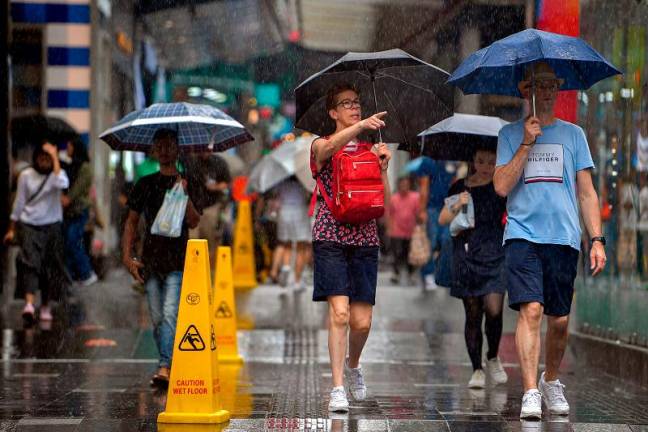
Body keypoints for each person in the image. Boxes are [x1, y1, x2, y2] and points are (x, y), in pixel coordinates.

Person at [494, 62, 606, 419]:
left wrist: (597, 239)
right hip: (522, 236)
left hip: (563, 239)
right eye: (539, 85)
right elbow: (500, 185)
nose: (546, 91)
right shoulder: (510, 134)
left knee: (558, 320)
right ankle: (529, 390)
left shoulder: (574, 135)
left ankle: (550, 379)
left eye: (551, 85)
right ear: (525, 90)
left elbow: (587, 193)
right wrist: (527, 143)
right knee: (531, 310)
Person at [310, 83, 391, 413]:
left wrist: (382, 167)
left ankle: (353, 365)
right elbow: (325, 152)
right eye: (346, 104)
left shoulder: (373, 148)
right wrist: (359, 127)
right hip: (330, 236)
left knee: (361, 322)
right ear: (333, 113)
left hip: (364, 239)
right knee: (340, 313)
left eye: (356, 103)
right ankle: (338, 387)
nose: (354, 108)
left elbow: (381, 198)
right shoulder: (320, 144)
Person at [121, 129, 201, 387]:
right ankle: (169, 359)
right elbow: (131, 222)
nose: (165, 150)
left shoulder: (187, 180)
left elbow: (194, 220)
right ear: (154, 151)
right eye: (160, 146)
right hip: (151, 261)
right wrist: (127, 256)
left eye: (170, 145)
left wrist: (183, 193)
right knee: (157, 318)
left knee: (169, 314)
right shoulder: (145, 183)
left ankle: (165, 365)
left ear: (178, 149)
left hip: (178, 260)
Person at [438, 147, 507, 389]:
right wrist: (459, 202)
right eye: (480, 161)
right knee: (473, 313)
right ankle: (476, 368)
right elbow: (443, 219)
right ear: (473, 161)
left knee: (495, 309)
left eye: (491, 161)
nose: (486, 166)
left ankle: (493, 356)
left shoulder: (502, 185)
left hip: (496, 253)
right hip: (466, 253)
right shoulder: (460, 187)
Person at [4, 143, 70, 324]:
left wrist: (55, 156)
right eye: (41, 158)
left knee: (49, 267)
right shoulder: (26, 175)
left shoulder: (57, 175)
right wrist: (12, 227)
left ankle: (46, 305)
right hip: (29, 225)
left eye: (47, 159)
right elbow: (19, 202)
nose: (44, 161)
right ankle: (29, 304)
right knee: (29, 264)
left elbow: (62, 183)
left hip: (51, 226)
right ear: (35, 158)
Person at [61, 138, 98, 286]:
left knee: (73, 240)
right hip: (69, 211)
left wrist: (68, 198)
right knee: (68, 242)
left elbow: (77, 189)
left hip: (79, 210)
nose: (67, 150)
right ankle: (71, 276)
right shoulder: (71, 166)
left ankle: (87, 272)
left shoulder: (85, 168)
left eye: (69, 146)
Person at [415, 158, 455, 289]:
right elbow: (424, 187)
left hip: (447, 206)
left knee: (447, 241)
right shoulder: (426, 162)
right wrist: (422, 210)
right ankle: (428, 274)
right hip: (432, 207)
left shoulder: (452, 162)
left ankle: (444, 273)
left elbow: (454, 184)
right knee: (430, 242)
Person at [273, 177, 311, 290]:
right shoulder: (304, 180)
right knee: (301, 247)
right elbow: (309, 196)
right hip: (299, 211)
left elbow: (276, 196)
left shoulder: (281, 181)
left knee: (287, 244)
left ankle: (285, 267)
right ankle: (297, 281)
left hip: (284, 211)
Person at [387, 176, 420, 285]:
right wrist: (389, 228)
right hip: (396, 230)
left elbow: (419, 213)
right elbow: (389, 214)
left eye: (406, 184)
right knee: (397, 253)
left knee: (409, 254)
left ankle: (411, 274)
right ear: (398, 185)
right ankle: (396, 273)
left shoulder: (415, 197)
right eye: (402, 184)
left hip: (411, 231)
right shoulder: (394, 198)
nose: (404, 186)